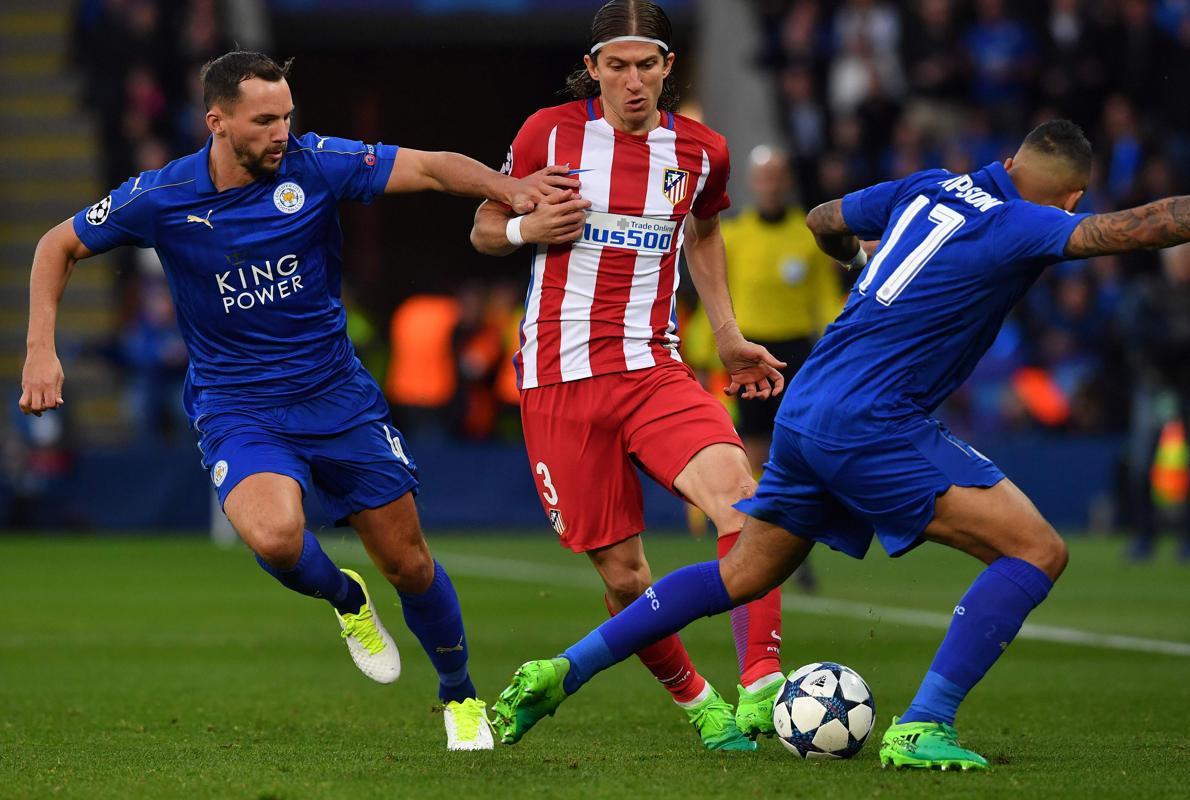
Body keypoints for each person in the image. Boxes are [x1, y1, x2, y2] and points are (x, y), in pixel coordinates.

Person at [489, 119, 1190, 769]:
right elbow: (1128, 231)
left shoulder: (929, 184)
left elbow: (824, 218)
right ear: (1070, 197)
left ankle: (561, 671)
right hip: (873, 420)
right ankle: (924, 724)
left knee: (743, 577)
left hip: (807, 407)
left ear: (1008, 161)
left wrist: (855, 257)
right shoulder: (1024, 224)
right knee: (1039, 549)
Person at [20, 50, 574, 751]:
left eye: (287, 114)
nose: (283, 130)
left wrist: (512, 186)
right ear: (216, 123)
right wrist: (42, 348)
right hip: (238, 405)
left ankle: (459, 694)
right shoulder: (160, 197)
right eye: (265, 119)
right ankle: (347, 599)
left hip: (336, 398)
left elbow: (432, 166)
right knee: (277, 539)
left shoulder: (316, 163)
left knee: (408, 562)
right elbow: (54, 245)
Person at [470, 0, 785, 751]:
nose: (633, 81)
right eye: (617, 66)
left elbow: (705, 235)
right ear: (593, 69)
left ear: (669, 68)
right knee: (623, 576)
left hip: (654, 368)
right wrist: (523, 227)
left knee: (747, 502)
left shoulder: (703, 150)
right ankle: (698, 702)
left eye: (647, 65)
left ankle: (763, 683)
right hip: (559, 379)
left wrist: (731, 333)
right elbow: (483, 228)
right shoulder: (548, 133)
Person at [719, 144, 842, 593]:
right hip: (751, 349)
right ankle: (751, 541)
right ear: (754, 183)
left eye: (778, 176)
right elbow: (719, 297)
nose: (771, 184)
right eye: (764, 177)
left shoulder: (804, 236)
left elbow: (825, 296)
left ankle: (794, 545)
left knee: (793, 450)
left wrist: (838, 335)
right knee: (751, 452)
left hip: (797, 351)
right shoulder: (734, 236)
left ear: (786, 181)